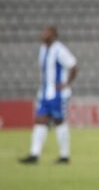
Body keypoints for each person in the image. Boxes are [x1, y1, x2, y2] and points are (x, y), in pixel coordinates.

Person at [19, 26, 78, 164]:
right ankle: (34, 154)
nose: (43, 34)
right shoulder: (43, 49)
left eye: (46, 32)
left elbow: (73, 66)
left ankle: (64, 156)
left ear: (53, 35)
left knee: (59, 121)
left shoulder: (59, 49)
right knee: (40, 120)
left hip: (57, 94)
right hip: (45, 93)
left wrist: (66, 83)